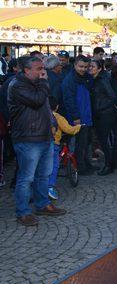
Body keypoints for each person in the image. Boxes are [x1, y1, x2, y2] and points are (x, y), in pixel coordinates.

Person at [8, 56, 66, 226]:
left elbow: (45, 106)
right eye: (39, 68)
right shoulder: (17, 85)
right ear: (26, 70)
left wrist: (52, 124)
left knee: (43, 174)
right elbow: (37, 100)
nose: (43, 71)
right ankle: (23, 212)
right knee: (26, 178)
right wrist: (44, 83)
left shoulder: (35, 84)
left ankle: (42, 204)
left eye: (43, 67)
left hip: (44, 136)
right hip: (28, 138)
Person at [61, 55, 93, 175]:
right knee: (80, 144)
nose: (83, 69)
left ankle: (85, 164)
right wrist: (76, 118)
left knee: (85, 143)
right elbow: (69, 100)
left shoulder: (85, 78)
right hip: (78, 118)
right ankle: (80, 167)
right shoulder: (70, 80)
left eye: (85, 67)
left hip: (86, 116)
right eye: (81, 66)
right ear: (75, 65)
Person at [48, 96, 81, 200]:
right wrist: (79, 127)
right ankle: (50, 187)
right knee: (54, 165)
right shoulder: (57, 117)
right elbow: (68, 129)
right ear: (57, 106)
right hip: (53, 143)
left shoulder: (40, 114)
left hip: (40, 143)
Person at [89, 59, 117, 175]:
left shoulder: (102, 80)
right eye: (90, 66)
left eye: (93, 66)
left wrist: (99, 107)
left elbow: (112, 96)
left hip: (105, 114)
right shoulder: (93, 79)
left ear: (99, 68)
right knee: (102, 140)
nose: (90, 68)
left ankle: (109, 165)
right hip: (99, 114)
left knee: (104, 141)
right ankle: (109, 164)